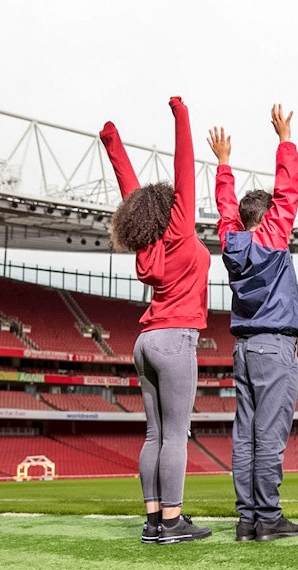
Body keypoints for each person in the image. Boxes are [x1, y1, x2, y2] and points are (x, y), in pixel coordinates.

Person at [100, 96, 212, 545]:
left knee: (154, 434)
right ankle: (171, 522)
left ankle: (151, 521)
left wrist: (113, 143)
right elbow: (185, 166)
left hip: (145, 340)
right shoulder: (181, 226)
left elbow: (131, 193)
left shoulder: (147, 244)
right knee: (176, 436)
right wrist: (182, 116)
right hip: (175, 339)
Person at [207, 104, 298, 542]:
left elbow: (227, 213)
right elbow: (288, 194)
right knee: (268, 436)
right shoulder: (272, 237)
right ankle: (268, 516)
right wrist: (285, 140)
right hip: (273, 347)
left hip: (244, 350)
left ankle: (247, 519)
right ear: (267, 219)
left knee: (245, 435)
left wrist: (224, 164)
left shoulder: (232, 243)